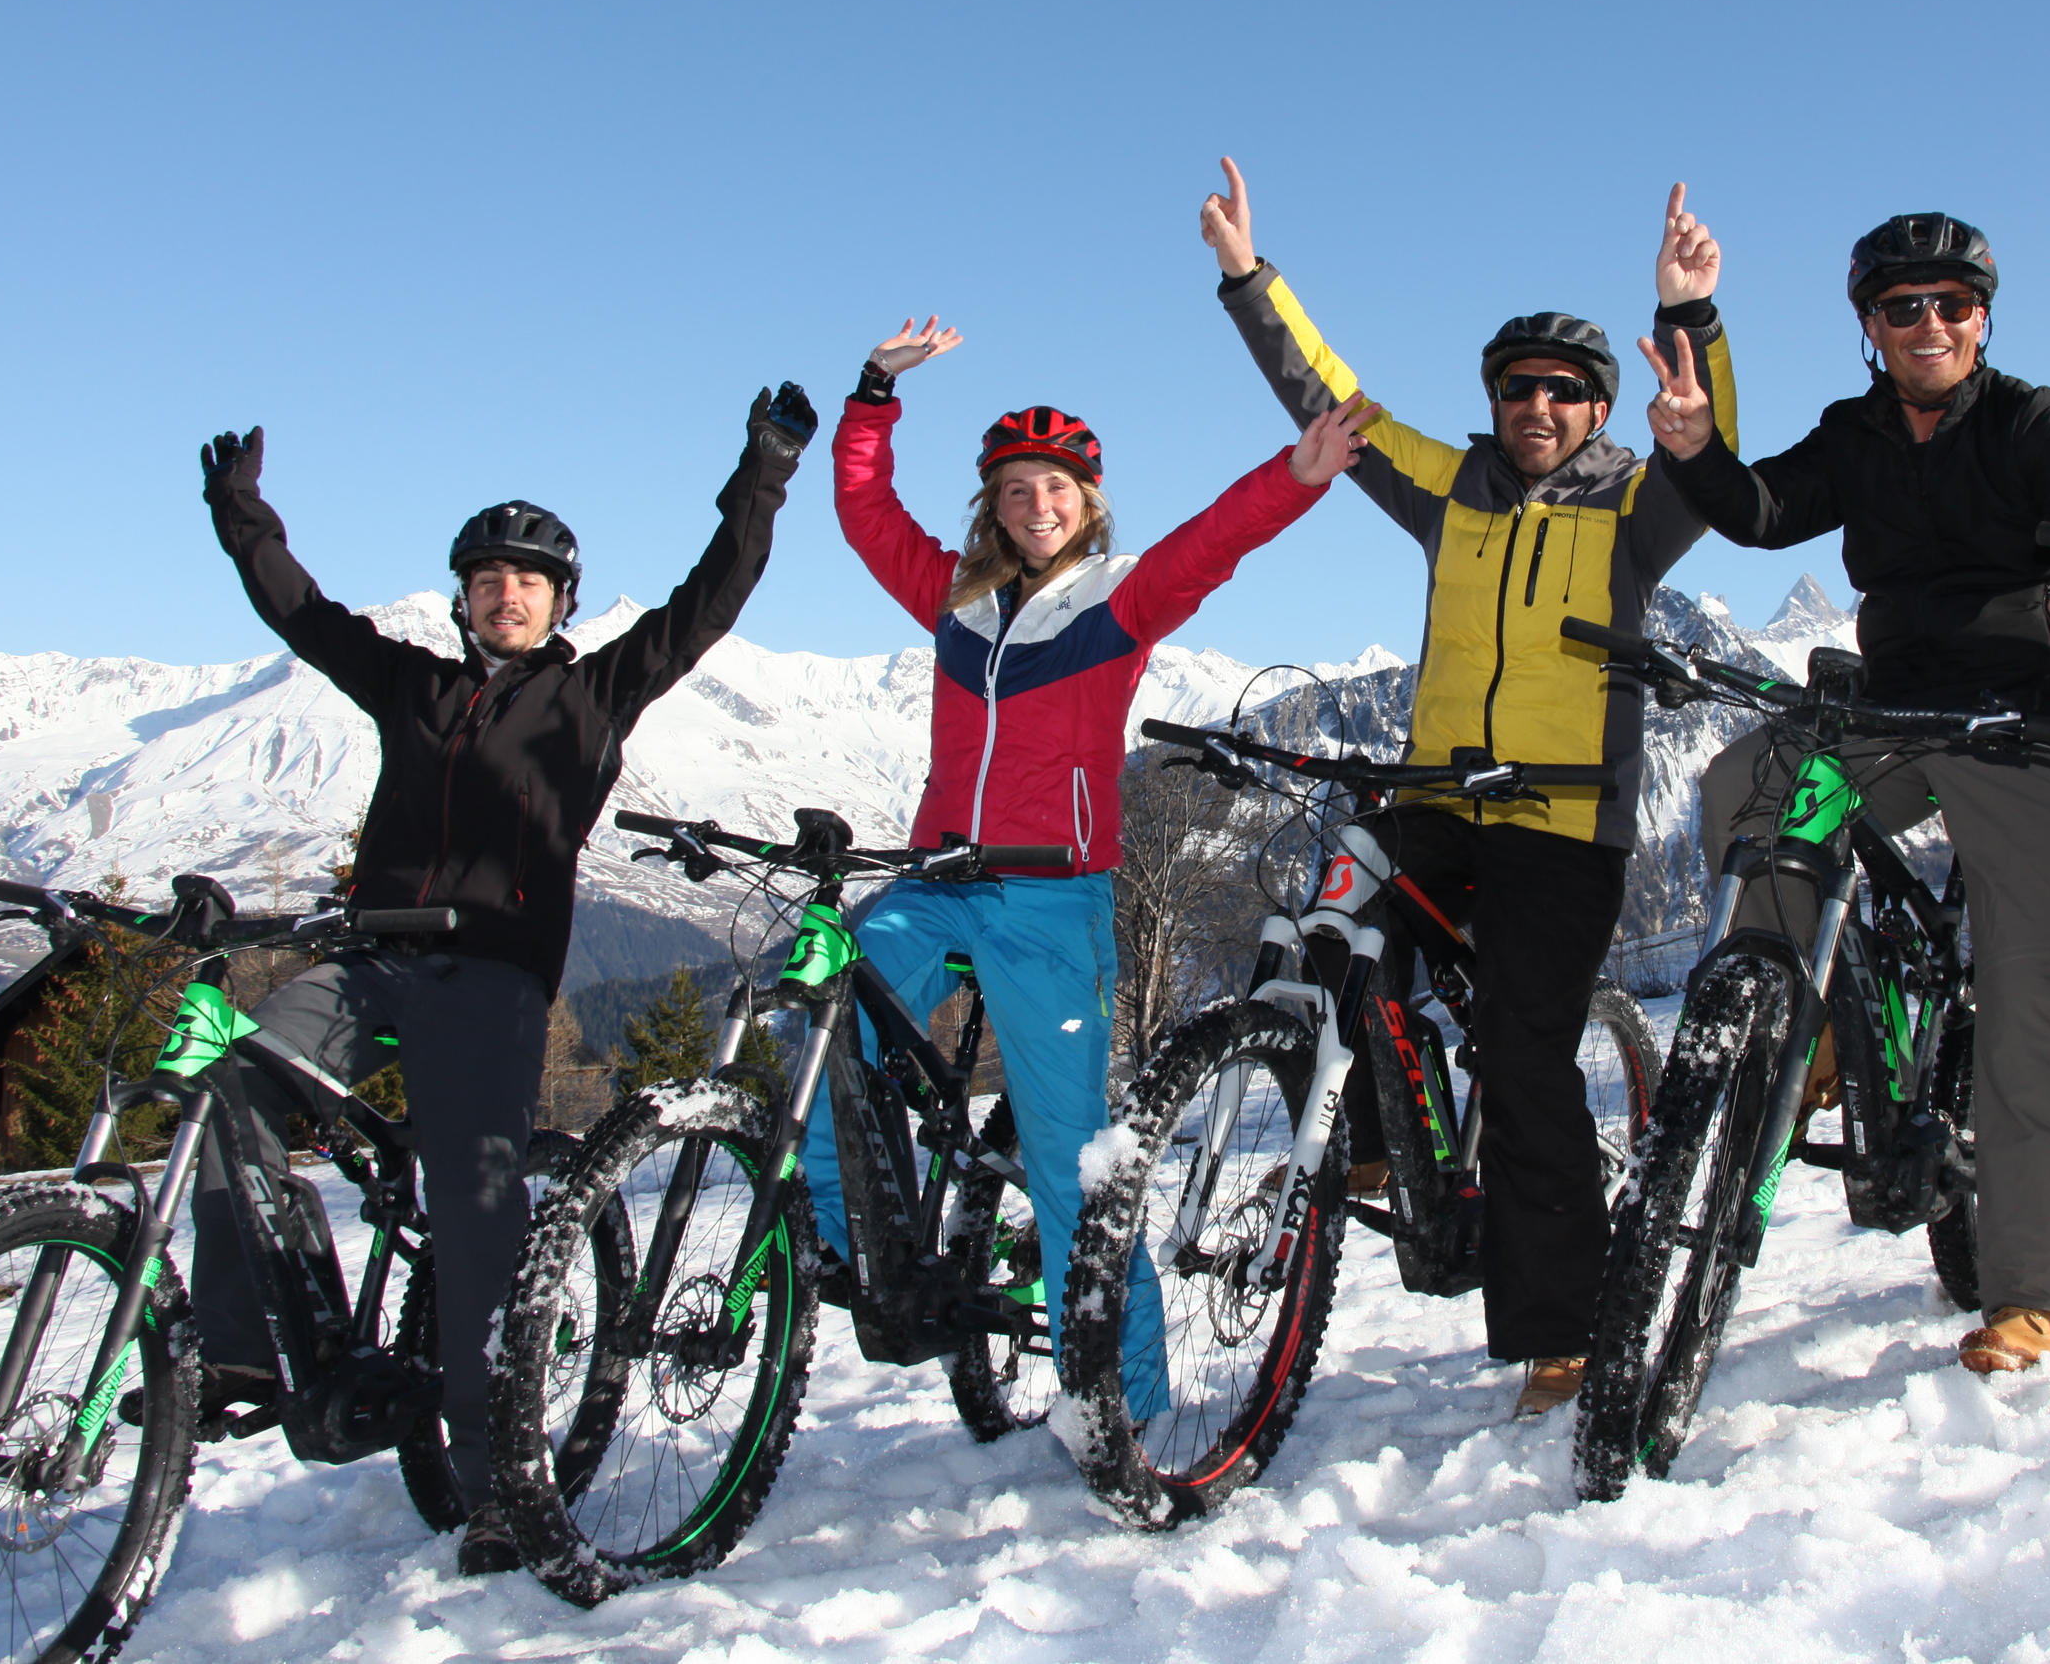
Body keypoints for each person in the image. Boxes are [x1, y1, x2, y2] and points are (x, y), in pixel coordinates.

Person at [196, 381, 815, 1573]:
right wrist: (244, 521)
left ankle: (500, 1486)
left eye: (528, 579)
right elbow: (307, 618)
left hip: (487, 975)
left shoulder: (593, 694)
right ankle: (257, 1345)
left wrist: (767, 466)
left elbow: (711, 598)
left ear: (560, 600)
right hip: (369, 957)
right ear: (463, 597)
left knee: (477, 1206)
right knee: (233, 1075)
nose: (507, 592)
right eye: (487, 577)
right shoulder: (415, 686)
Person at [1205, 158, 1732, 1418]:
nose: (1536, 405)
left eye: (1562, 392)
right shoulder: (1452, 489)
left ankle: (1564, 1328)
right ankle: (1379, 1141)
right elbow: (1337, 405)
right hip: (1443, 797)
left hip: (1564, 821)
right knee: (1324, 916)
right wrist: (1247, 279)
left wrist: (1692, 323)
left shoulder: (1637, 509)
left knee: (1523, 1046)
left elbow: (1705, 447)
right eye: (1516, 388)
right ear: (1492, 400)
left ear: (1598, 409)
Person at [812, 315, 1369, 1403]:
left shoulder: (1119, 598)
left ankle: (1128, 1401)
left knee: (1076, 1167)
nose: (1037, 506)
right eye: (1015, 489)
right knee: (823, 1016)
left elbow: (1213, 541)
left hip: (1050, 899)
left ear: (1088, 500)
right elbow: (863, 510)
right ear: (992, 506)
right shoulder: (955, 602)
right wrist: (874, 393)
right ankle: (864, 1251)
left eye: (1055, 488)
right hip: (936, 882)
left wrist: (1294, 477)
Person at [1647, 212, 2050, 1373]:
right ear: (1869, 328)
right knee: (1749, 787)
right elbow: (1759, 508)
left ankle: (2039, 1290)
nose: (1928, 324)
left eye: (1952, 304)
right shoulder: (1858, 431)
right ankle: (1811, 1015)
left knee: (2030, 981)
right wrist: (1692, 438)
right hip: (1891, 709)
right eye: (1901, 307)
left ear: (1982, 319)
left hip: (2021, 719)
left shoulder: (2030, 420)